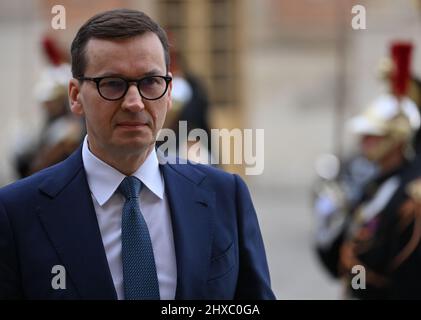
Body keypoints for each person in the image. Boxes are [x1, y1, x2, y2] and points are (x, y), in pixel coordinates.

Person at [0, 9, 275, 300]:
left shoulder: (225, 196)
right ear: (74, 96)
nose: (134, 102)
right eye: (112, 84)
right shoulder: (17, 213)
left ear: (169, 92)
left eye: (150, 82)